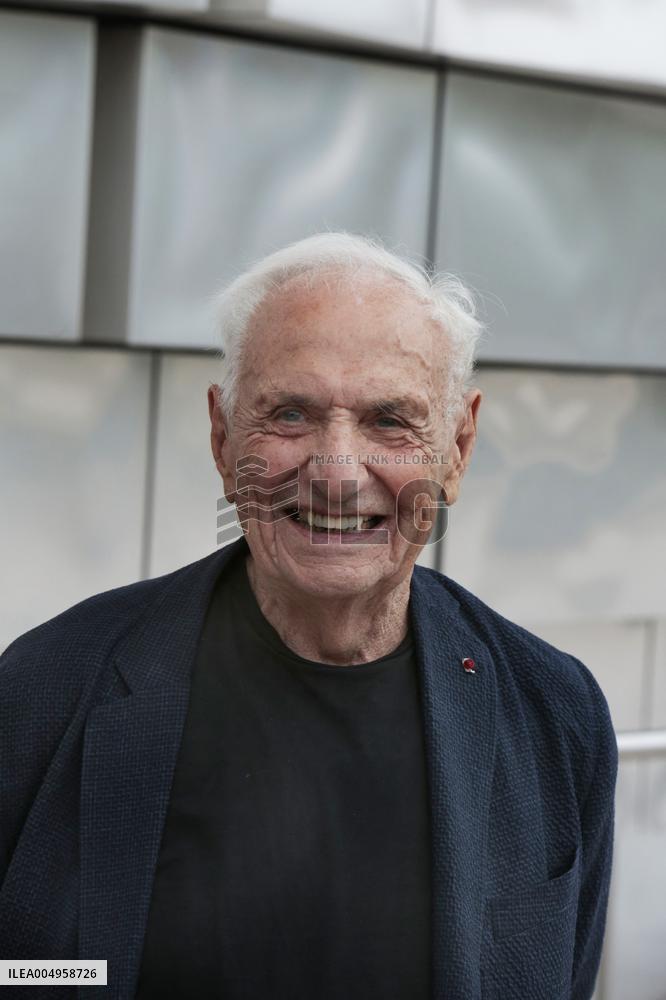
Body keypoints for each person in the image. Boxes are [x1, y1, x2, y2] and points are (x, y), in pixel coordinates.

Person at [0, 233, 617, 1000]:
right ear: (224, 437)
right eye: (289, 414)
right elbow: (20, 972)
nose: (334, 472)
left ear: (456, 448)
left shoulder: (556, 714)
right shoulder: (45, 688)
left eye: (391, 420)